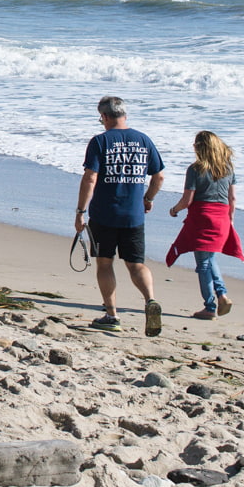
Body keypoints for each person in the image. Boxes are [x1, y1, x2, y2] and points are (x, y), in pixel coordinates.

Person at [75, 95, 164, 335]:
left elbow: (90, 178)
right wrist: (148, 198)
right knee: (136, 264)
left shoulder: (100, 141)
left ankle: (112, 315)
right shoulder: (143, 140)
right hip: (133, 215)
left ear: (104, 116)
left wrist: (81, 211)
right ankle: (150, 300)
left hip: (104, 214)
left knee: (105, 263)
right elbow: (159, 176)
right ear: (124, 115)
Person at [166, 130, 244, 319]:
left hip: (202, 218)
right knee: (209, 259)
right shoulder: (227, 168)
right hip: (222, 218)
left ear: (200, 148)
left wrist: (174, 210)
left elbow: (187, 200)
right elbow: (232, 198)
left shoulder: (195, 169)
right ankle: (221, 295)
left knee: (203, 263)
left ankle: (211, 306)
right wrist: (230, 220)